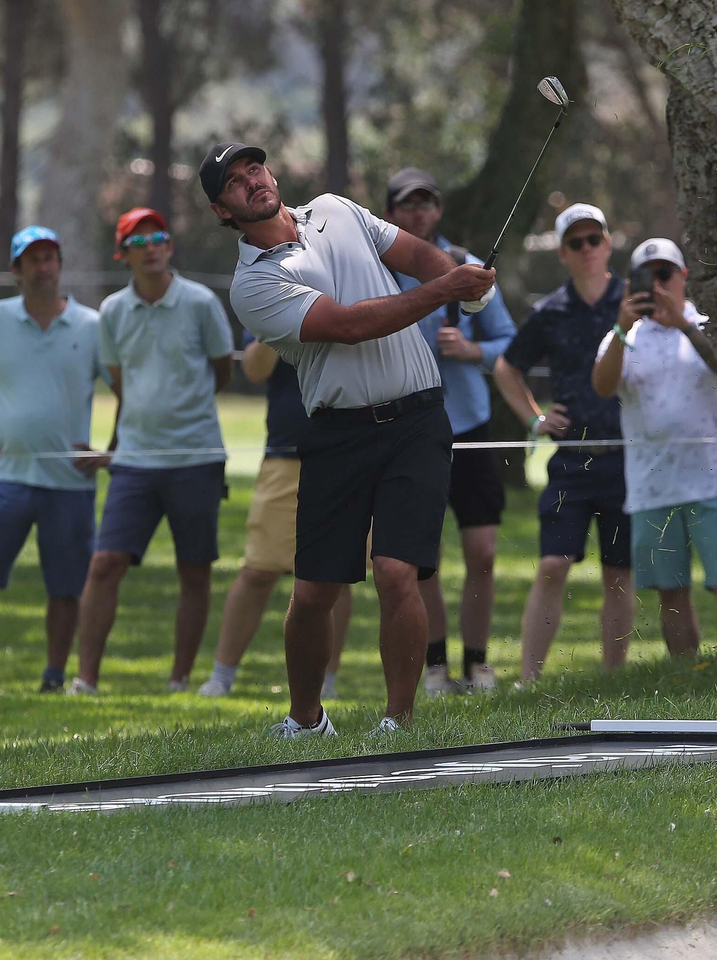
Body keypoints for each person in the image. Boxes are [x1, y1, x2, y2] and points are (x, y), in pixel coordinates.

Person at [209, 141, 494, 737]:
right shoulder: (253, 285)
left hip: (417, 420)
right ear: (223, 212)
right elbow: (347, 326)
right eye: (234, 182)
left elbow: (418, 254)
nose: (252, 181)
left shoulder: (337, 208)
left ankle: (399, 721)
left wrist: (467, 285)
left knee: (397, 572)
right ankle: (306, 720)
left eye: (254, 168)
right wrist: (446, 291)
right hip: (338, 433)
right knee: (314, 592)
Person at [70, 207, 235, 695]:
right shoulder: (114, 313)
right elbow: (123, 387)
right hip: (135, 464)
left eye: (159, 237)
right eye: (139, 242)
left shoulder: (202, 303)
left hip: (197, 458)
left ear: (170, 246)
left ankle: (180, 680)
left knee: (194, 571)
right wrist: (114, 449)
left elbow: (222, 372)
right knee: (104, 565)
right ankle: (86, 681)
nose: (152, 247)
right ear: (123, 255)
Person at [0, 226, 105, 692]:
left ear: (60, 263)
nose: (43, 266)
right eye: (33, 259)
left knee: (66, 588)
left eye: (50, 257)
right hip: (4, 477)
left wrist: (110, 448)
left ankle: (54, 677)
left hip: (69, 481)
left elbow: (126, 388)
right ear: (16, 270)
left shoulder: (91, 326)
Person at [383, 167, 516, 695]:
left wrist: (473, 350)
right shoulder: (381, 269)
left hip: (471, 424)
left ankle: (477, 663)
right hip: (413, 428)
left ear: (438, 209)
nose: (417, 212)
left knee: (482, 551)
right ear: (391, 214)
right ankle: (435, 665)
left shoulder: (466, 266)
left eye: (426, 202)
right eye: (406, 204)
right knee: (424, 559)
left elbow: (509, 340)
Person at [592, 237, 717, 654]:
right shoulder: (622, 336)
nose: (658, 285)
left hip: (714, 481)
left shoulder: (705, 327)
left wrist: (683, 324)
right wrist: (619, 329)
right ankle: (689, 676)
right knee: (671, 594)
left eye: (666, 275)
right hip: (652, 488)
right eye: (648, 277)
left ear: (683, 277)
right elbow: (602, 386)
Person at [493, 203, 633, 682]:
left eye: (595, 239)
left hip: (627, 460)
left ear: (608, 245)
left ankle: (615, 677)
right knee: (553, 565)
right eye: (576, 243)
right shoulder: (549, 311)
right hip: (571, 461)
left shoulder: (631, 302)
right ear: (563, 253)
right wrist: (535, 418)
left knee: (619, 572)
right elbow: (506, 368)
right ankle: (528, 679)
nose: (587, 249)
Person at [198, 333, 354, 700]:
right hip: (285, 454)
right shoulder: (277, 287)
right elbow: (254, 369)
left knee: (337, 576)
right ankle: (221, 677)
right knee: (258, 570)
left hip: (347, 452)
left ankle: (326, 683)